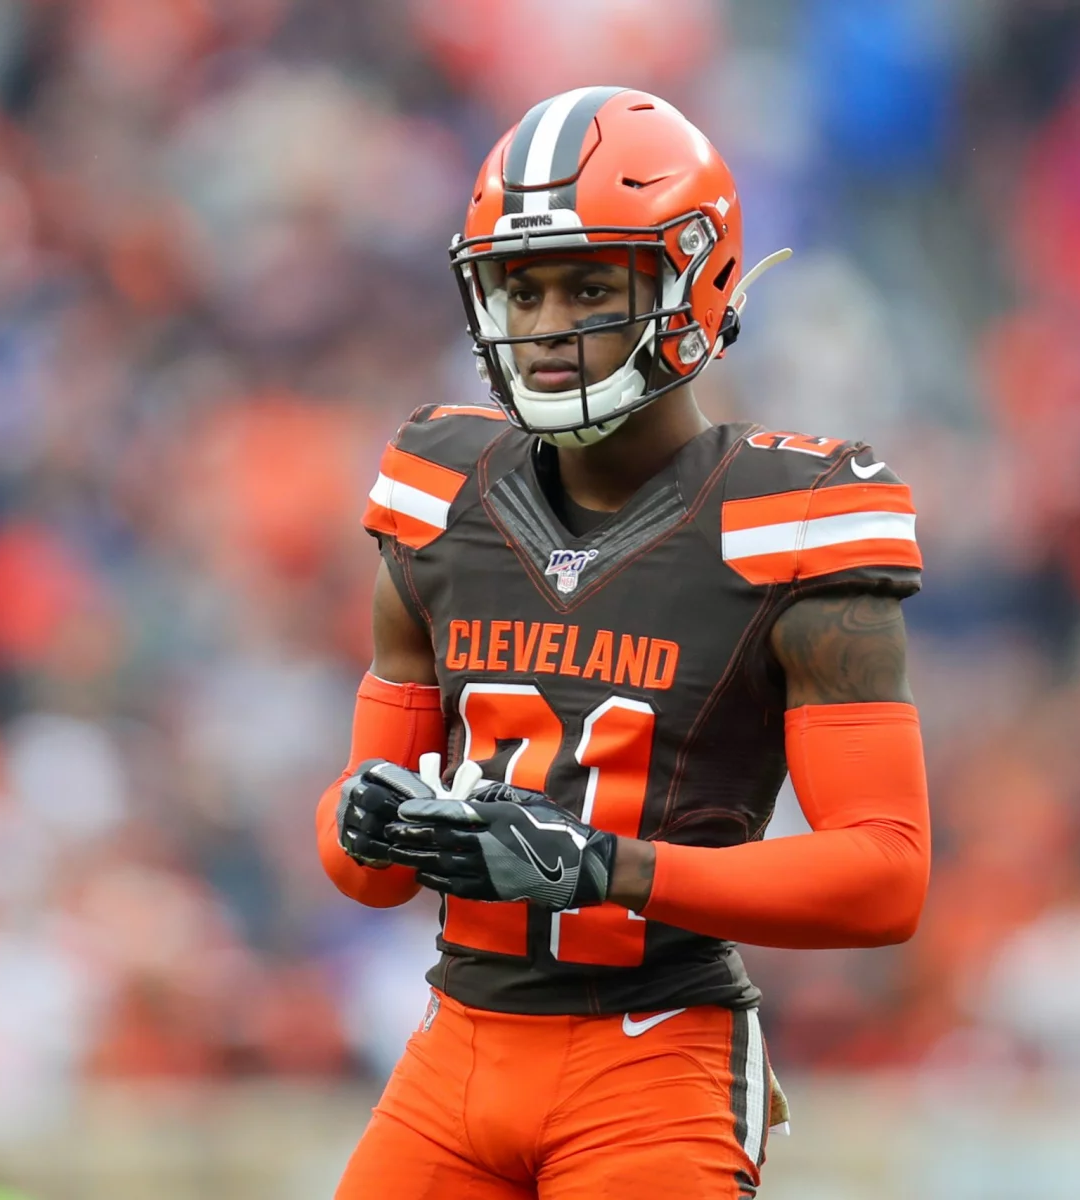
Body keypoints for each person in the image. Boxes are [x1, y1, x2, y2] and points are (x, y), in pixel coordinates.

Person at [317, 85, 931, 1199]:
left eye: (592, 284)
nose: (549, 323)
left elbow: (886, 876)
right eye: (523, 285)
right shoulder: (438, 489)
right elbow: (361, 879)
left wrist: (606, 868)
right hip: (454, 1050)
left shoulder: (792, 516)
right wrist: (359, 814)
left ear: (694, 282)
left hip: (653, 1058)